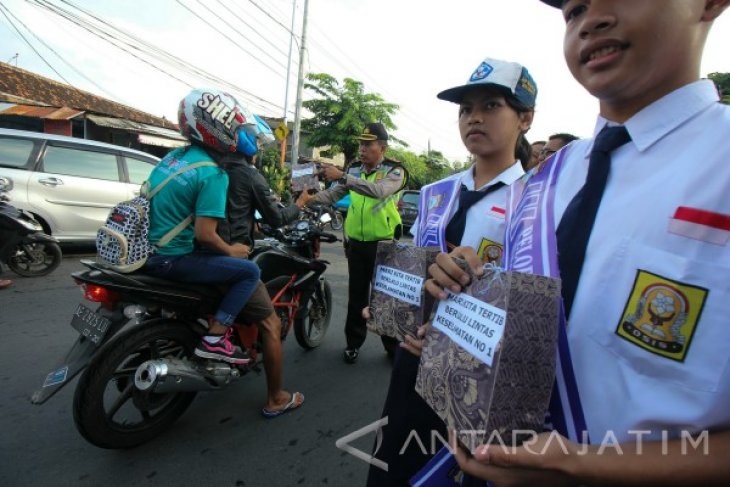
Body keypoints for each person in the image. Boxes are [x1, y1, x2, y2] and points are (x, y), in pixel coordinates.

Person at [428, 0, 730, 485]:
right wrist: (465, 280)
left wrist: (581, 467)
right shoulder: (553, 174)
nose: (592, 20)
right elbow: (519, 298)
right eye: (575, 9)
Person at [366, 57, 537, 487]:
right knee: (397, 467)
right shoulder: (435, 192)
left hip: (481, 372)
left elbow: (529, 297)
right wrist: (391, 308)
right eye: (465, 109)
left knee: (472, 471)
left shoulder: (537, 199)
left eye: (492, 105)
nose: (474, 117)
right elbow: (420, 265)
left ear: (525, 118)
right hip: (417, 359)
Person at [142, 88, 262, 365]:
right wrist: (232, 250)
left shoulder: (174, 157)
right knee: (249, 271)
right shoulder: (213, 173)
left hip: (148, 251)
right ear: (218, 128)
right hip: (172, 258)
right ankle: (215, 338)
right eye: (234, 127)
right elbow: (206, 235)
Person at [216, 114, 307, 416]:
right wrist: (302, 202)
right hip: (230, 256)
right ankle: (276, 398)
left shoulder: (210, 166)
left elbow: (228, 209)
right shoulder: (249, 174)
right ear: (245, 142)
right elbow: (277, 217)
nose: (258, 146)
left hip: (202, 250)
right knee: (272, 323)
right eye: (255, 141)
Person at [298, 123, 408, 364]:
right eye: (360, 143)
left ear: (382, 147)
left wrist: (344, 177)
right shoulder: (355, 169)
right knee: (357, 296)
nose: (362, 148)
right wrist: (309, 199)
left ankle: (392, 347)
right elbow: (335, 194)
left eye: (368, 144)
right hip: (356, 243)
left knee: (384, 297)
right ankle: (353, 344)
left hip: (384, 244)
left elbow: (379, 191)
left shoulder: (395, 171)